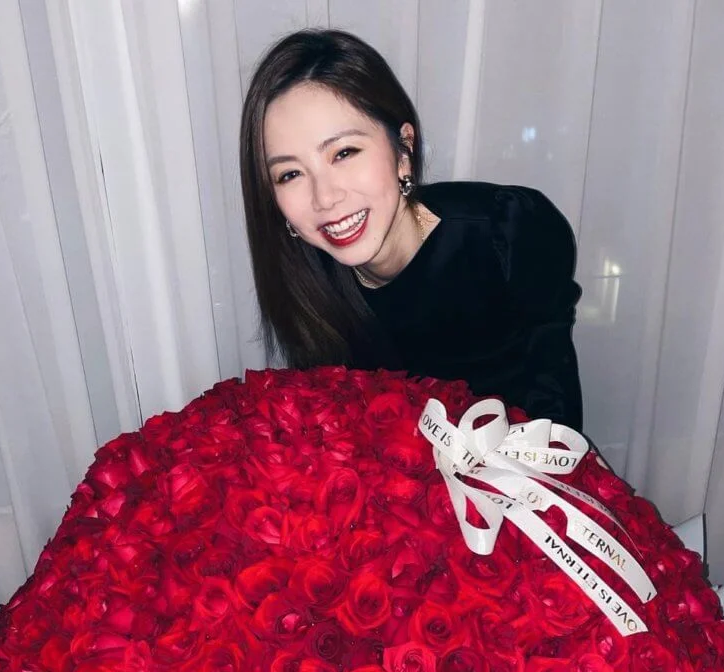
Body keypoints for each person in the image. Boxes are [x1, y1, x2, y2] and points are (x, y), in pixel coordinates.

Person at [240, 28, 584, 430]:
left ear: (403, 150)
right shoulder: (306, 279)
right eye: (290, 174)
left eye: (344, 152)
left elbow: (555, 415)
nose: (325, 197)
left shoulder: (506, 234)